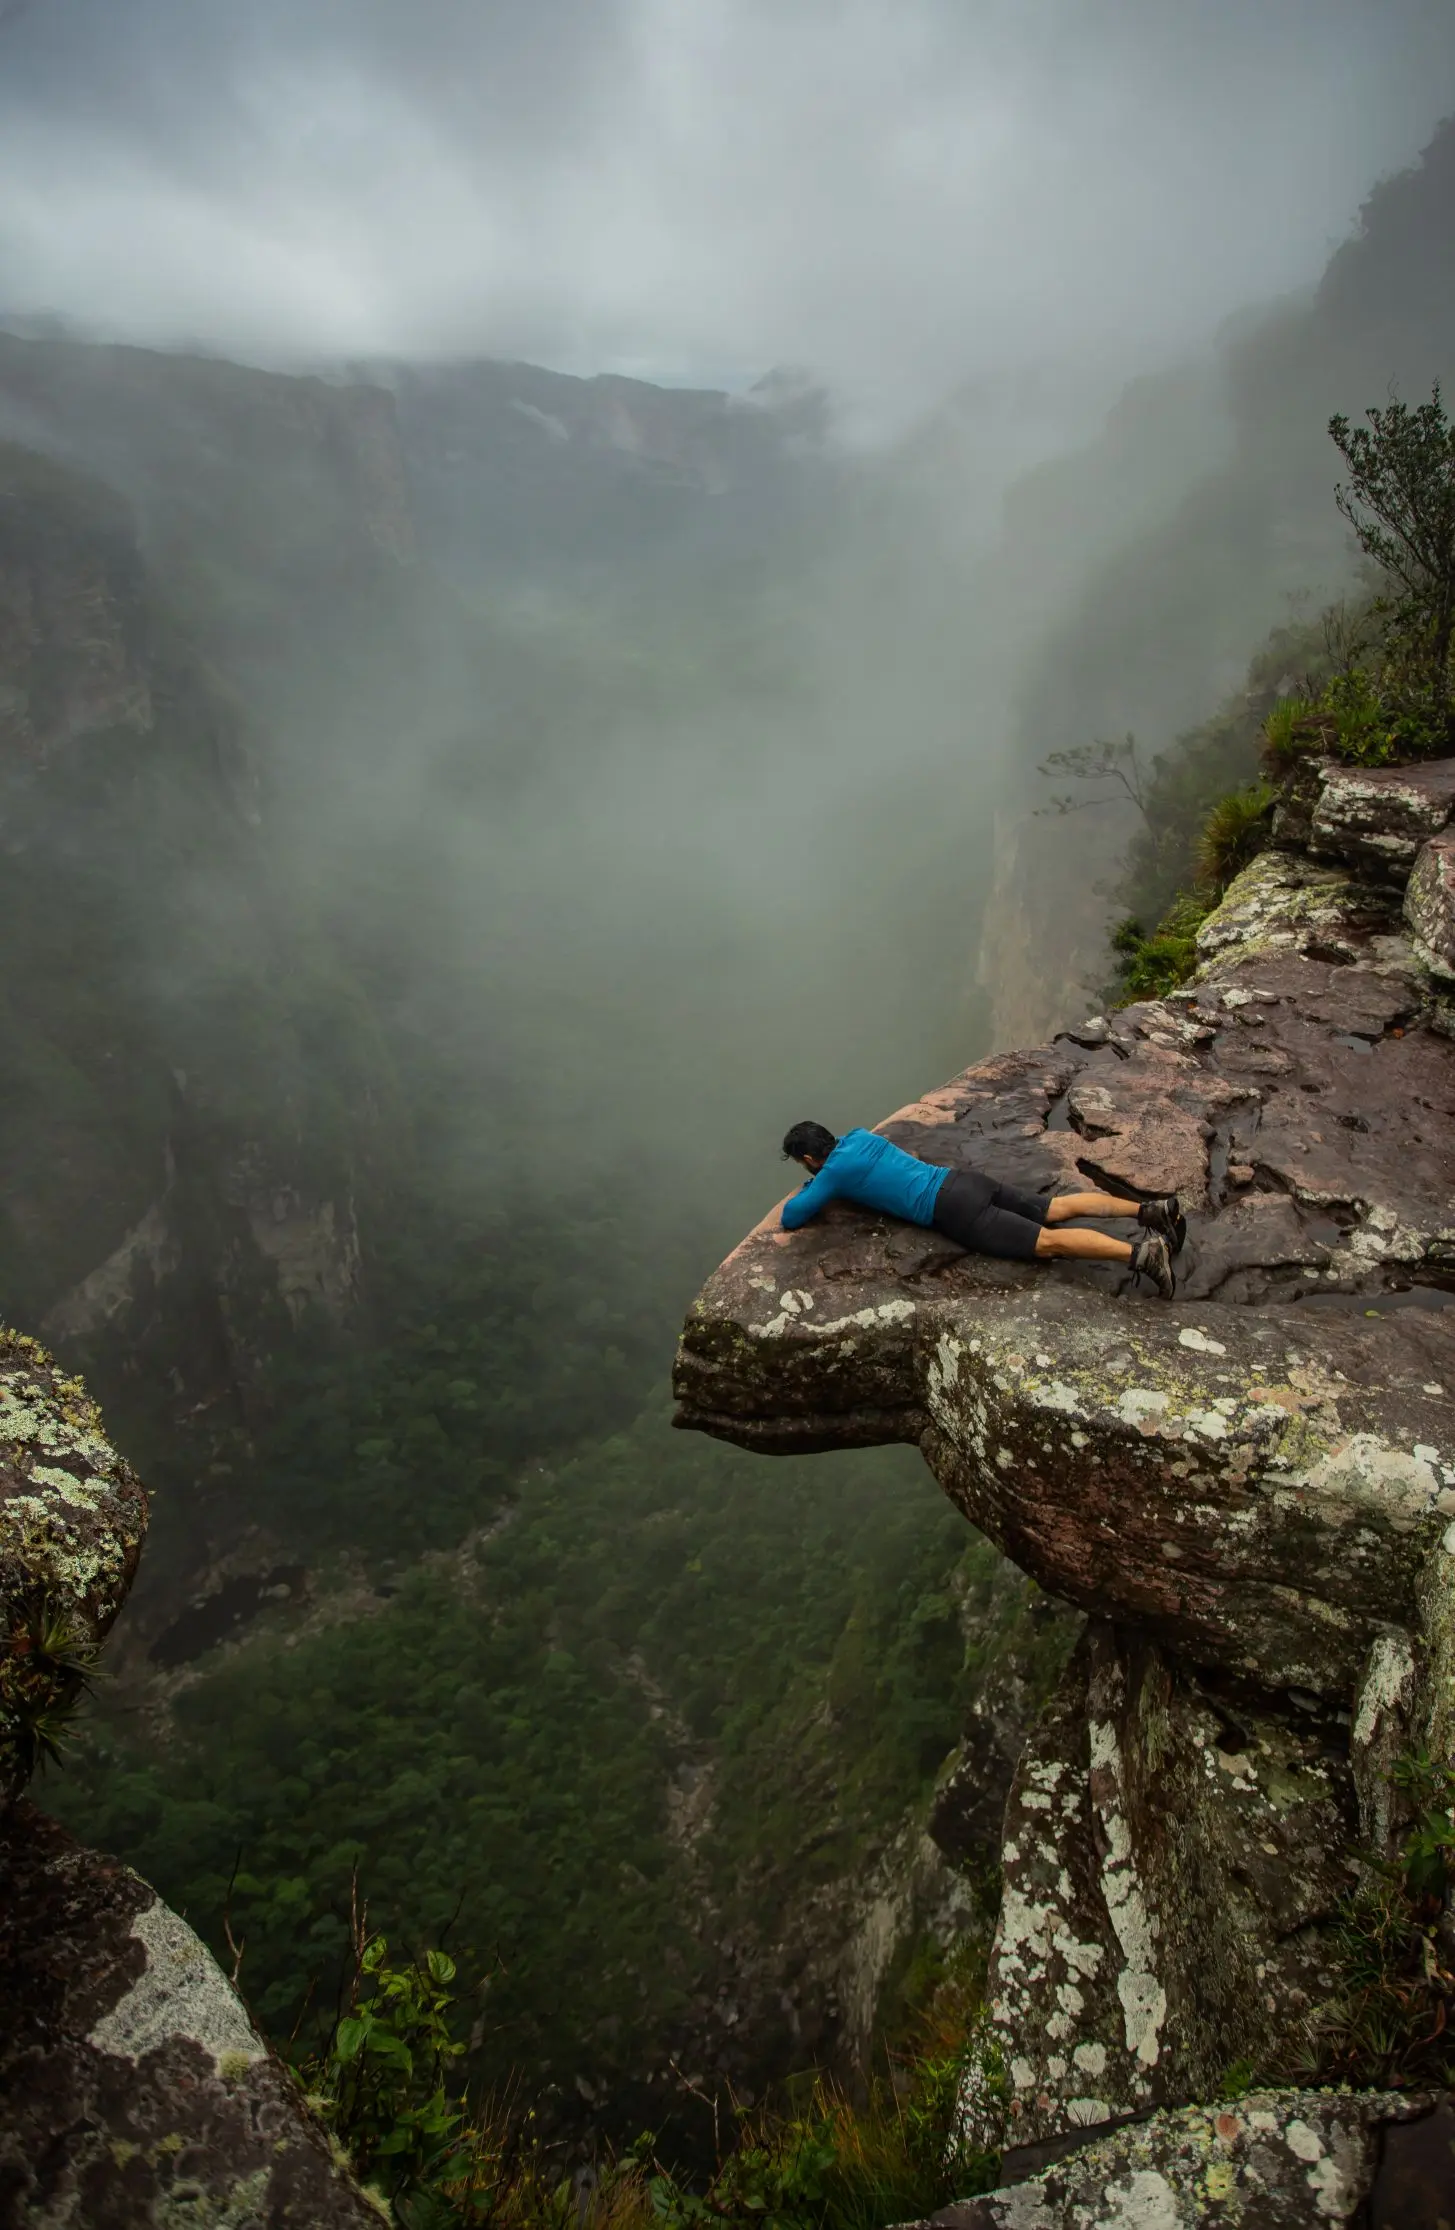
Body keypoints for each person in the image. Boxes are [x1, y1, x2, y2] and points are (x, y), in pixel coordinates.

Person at [778, 1120, 1183, 1298]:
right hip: (964, 1180)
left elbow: (792, 1215)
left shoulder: (832, 1174)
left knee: (1048, 1243)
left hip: (952, 1209)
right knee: (1056, 1208)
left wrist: (816, 1182)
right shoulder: (859, 1136)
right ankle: (1149, 1211)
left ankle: (1141, 1255)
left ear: (810, 1159)